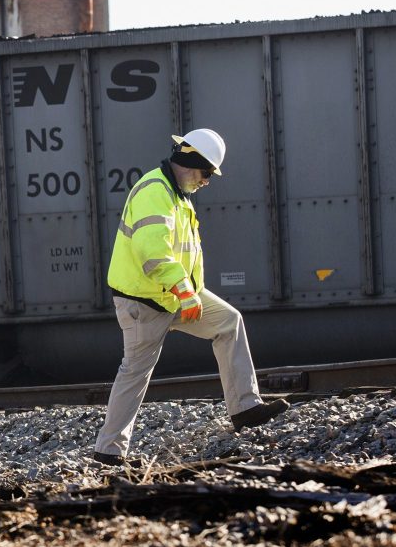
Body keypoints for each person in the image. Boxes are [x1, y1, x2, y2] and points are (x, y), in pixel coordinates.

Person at [93, 128, 288, 465]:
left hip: (173, 295)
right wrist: (185, 291)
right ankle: (107, 452)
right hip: (146, 302)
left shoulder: (175, 194)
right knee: (135, 372)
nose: (207, 181)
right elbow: (152, 254)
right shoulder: (155, 192)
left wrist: (187, 292)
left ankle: (245, 408)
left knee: (228, 322)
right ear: (191, 162)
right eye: (206, 173)